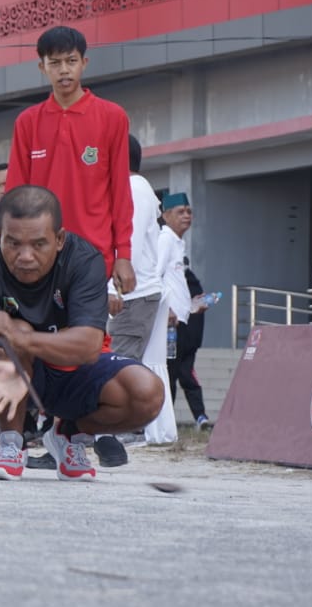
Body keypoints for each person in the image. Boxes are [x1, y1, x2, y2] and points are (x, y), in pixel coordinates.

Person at [0, 185, 163, 481]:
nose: (25, 256)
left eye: (38, 244)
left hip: (72, 368)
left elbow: (90, 346)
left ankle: (68, 434)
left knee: (147, 393)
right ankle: (11, 444)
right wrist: (17, 339)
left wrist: (24, 338)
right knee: (15, 333)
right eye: (13, 243)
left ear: (59, 239)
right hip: (13, 373)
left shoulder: (85, 261)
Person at [2, 25, 136, 466]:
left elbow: (120, 191)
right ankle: (23, 437)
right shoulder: (28, 123)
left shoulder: (111, 117)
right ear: (41, 66)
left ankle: (73, 431)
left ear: (84, 62)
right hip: (36, 257)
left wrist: (123, 255)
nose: (64, 70)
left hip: (91, 255)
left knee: (86, 344)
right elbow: (17, 196)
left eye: (71, 61)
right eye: (54, 62)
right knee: (32, 341)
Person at [107, 135, 163, 360]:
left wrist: (114, 290)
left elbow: (131, 245)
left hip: (130, 298)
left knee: (120, 373)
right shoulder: (133, 188)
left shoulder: (134, 190)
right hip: (129, 297)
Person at [143, 192, 192, 445]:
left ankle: (163, 428)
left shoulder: (176, 242)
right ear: (165, 215)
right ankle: (154, 428)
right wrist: (167, 309)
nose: (186, 216)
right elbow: (155, 275)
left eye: (188, 211)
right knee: (166, 373)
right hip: (167, 322)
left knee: (172, 373)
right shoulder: (165, 240)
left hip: (179, 321)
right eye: (180, 212)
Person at [169, 268, 212, 428]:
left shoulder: (174, 286)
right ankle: (200, 416)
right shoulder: (195, 287)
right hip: (189, 342)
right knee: (187, 377)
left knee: (170, 378)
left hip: (175, 340)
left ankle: (169, 419)